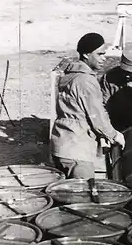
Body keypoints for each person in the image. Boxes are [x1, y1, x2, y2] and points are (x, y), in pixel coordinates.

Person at [50, 33, 125, 179]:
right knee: (82, 196)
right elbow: (97, 116)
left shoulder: (69, 76)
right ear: (86, 54)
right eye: (99, 54)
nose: (104, 58)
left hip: (61, 145)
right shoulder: (86, 81)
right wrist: (114, 135)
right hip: (77, 151)